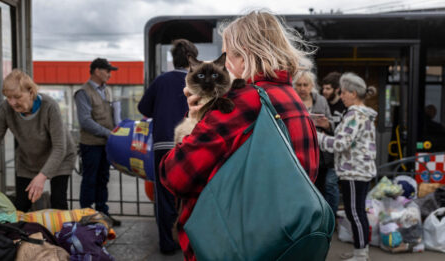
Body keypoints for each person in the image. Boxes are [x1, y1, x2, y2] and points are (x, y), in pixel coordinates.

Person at [160, 10, 319, 260]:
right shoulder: (295, 101)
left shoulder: (241, 102)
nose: (224, 66)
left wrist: (195, 121)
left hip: (234, 246)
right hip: (285, 244)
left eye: (227, 55)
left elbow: (175, 175)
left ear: (243, 56)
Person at [0, 69, 76, 211]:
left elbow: (59, 147)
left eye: (17, 97)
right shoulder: (5, 109)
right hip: (29, 160)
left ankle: (63, 231)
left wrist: (42, 176)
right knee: (22, 204)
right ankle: (21, 233)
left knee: (58, 201)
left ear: (31, 92)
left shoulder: (49, 106)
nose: (13, 103)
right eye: (8, 98)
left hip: (60, 157)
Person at [137, 39, 198, 255]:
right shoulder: (196, 82)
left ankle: (167, 243)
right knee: (190, 194)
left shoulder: (161, 81)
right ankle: (189, 241)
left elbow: (143, 107)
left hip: (163, 144)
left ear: (173, 59)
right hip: (190, 145)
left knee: (163, 195)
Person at [317, 72, 377, 261]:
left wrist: (317, 136)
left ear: (352, 93)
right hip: (360, 170)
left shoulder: (354, 115)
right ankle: (360, 251)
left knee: (354, 212)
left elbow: (341, 144)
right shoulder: (363, 114)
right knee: (357, 211)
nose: (341, 96)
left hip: (353, 171)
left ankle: (360, 254)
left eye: (343, 93)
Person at [74, 58, 120, 226]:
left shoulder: (106, 91)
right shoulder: (83, 92)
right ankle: (86, 216)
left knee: (103, 179)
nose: (109, 74)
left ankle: (103, 214)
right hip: (91, 145)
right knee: (89, 180)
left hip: (105, 144)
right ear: (97, 71)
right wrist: (108, 133)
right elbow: (85, 121)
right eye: (107, 71)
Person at [293, 70, 338, 215]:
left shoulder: (321, 100)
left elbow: (331, 123)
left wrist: (327, 125)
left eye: (306, 85)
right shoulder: (292, 99)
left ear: (312, 85)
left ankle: (323, 217)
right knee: (302, 187)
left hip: (320, 152)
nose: (302, 88)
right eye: (299, 85)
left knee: (321, 186)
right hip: (299, 149)